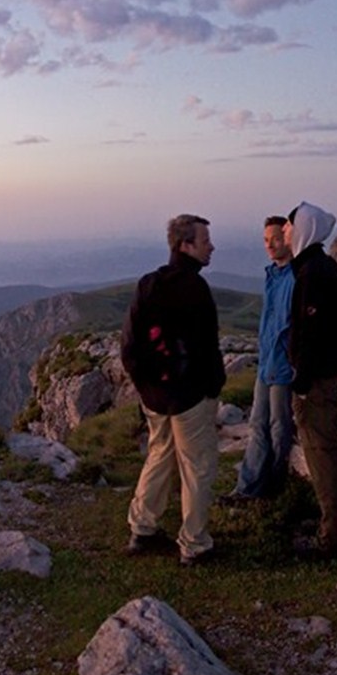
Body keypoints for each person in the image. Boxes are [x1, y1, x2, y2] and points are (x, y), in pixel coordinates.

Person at [121, 213, 226, 567]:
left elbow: (130, 344)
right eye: (205, 240)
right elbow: (207, 348)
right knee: (197, 466)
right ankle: (195, 545)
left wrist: (147, 388)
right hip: (190, 397)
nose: (211, 246)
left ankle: (142, 530)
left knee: (160, 455)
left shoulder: (148, 284)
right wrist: (212, 387)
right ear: (186, 245)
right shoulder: (195, 289)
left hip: (156, 396)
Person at [284, 201, 337, 558]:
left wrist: (302, 379)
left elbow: (311, 330)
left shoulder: (312, 273)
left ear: (303, 229)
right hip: (324, 373)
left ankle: (333, 537)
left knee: (320, 450)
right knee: (326, 446)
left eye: (289, 226)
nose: (285, 231)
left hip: (317, 379)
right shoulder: (320, 267)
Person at [222, 216, 295, 503]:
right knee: (257, 424)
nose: (269, 245)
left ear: (287, 239)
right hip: (267, 363)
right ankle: (247, 488)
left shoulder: (294, 277)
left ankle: (273, 488)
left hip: (283, 365)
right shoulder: (272, 275)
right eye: (265, 240)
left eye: (275, 238)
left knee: (278, 427)